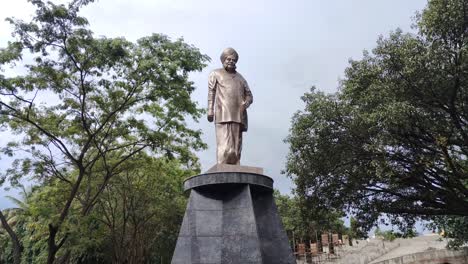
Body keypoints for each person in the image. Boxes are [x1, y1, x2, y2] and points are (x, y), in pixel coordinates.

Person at [207, 47, 253, 164]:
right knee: (224, 144)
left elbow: (250, 95)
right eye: (228, 59)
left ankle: (236, 165)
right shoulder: (215, 73)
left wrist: (245, 104)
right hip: (223, 112)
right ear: (223, 60)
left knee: (236, 146)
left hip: (238, 114)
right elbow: (211, 91)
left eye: (233, 60)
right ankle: (222, 166)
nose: (231, 62)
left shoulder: (241, 78)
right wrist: (210, 110)